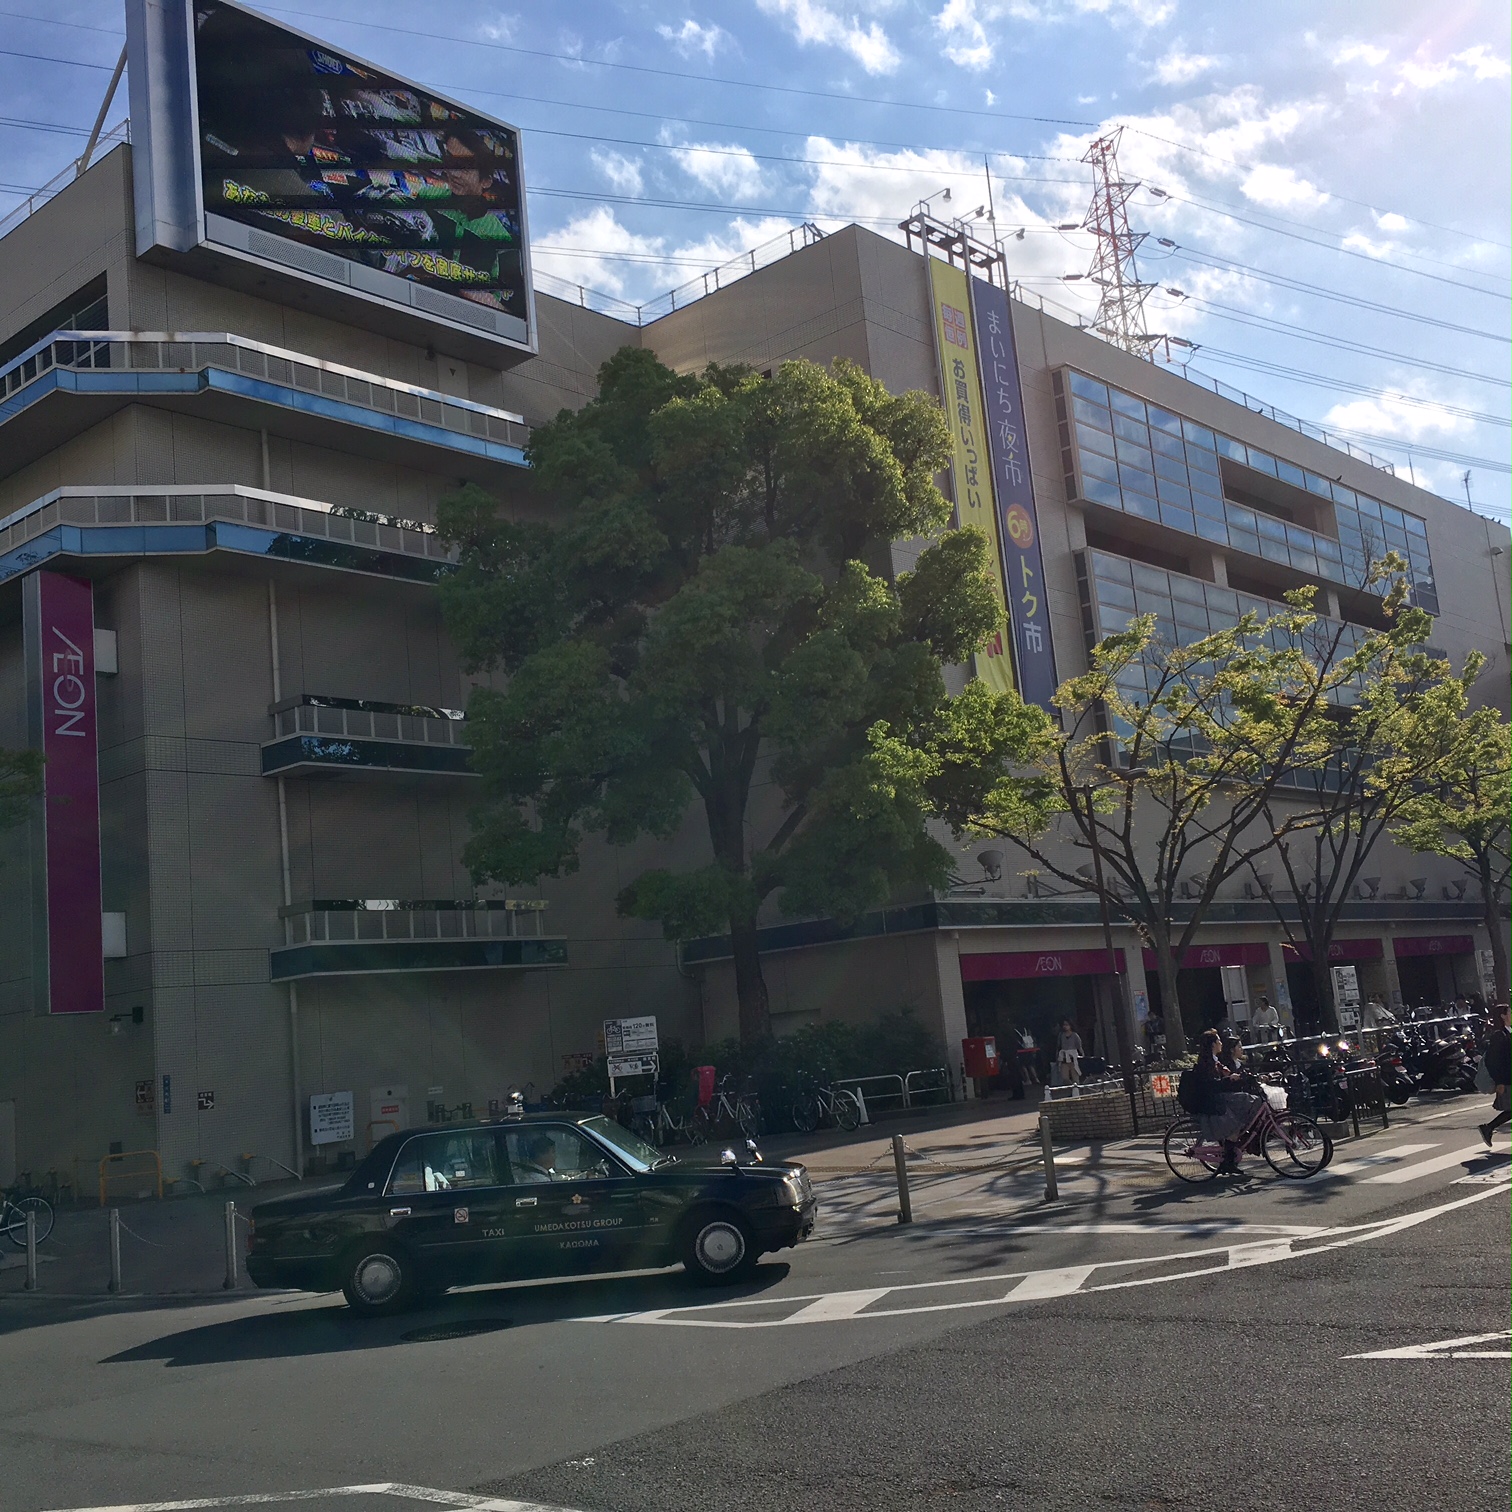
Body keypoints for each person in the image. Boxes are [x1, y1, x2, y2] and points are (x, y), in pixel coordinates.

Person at [1193, 1028, 1264, 1175]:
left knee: (1245, 1107)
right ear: (1213, 1044)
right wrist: (1229, 1079)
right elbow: (1211, 1084)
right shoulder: (1206, 1063)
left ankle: (1232, 1156)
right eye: (1218, 1041)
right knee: (1246, 1103)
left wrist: (1231, 1076)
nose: (1221, 1043)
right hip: (1213, 1101)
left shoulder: (1215, 1061)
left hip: (1219, 1098)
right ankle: (1228, 1161)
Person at [1479, 1003, 1512, 1147]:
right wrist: (1499, 1081)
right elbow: (1493, 1061)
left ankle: (1488, 1128)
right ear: (1503, 1016)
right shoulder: (1499, 1035)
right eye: (1510, 1012)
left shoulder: (1508, 1033)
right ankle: (1488, 1127)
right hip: (1507, 1079)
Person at [1056, 1019, 1084, 1086]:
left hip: (1073, 1059)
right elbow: (1058, 1046)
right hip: (1064, 1058)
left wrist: (1082, 1055)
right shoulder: (1061, 1035)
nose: (1065, 1026)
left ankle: (1076, 1089)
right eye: (1064, 1025)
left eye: (1067, 1025)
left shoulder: (1075, 1035)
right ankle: (1071, 1087)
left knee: (1075, 1077)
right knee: (1064, 1078)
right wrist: (1057, 1058)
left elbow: (1079, 1046)